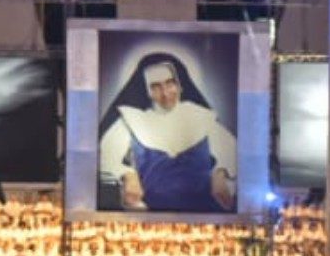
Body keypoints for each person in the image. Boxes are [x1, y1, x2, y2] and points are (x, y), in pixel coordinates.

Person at [98, 53, 239, 212]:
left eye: (170, 83)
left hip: (203, 210)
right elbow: (103, 155)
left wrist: (220, 173)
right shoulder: (132, 120)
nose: (165, 93)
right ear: (146, 90)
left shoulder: (201, 117)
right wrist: (127, 174)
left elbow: (233, 152)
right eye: (156, 87)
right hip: (151, 213)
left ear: (180, 84)